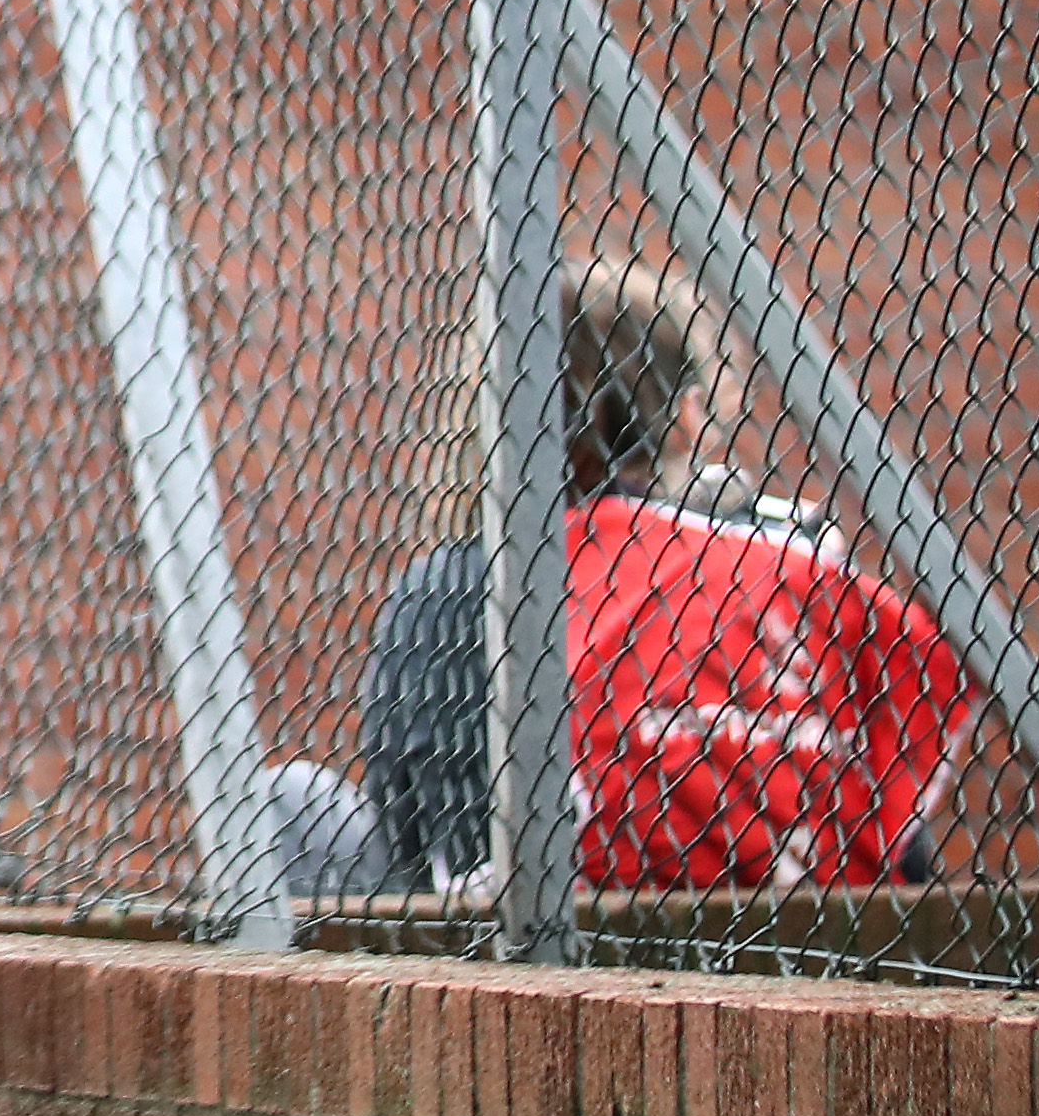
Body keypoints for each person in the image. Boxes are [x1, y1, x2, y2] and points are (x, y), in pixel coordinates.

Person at [350, 263, 967, 896]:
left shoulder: (455, 584)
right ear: (687, 414)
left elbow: (405, 811)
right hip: (822, 915)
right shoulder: (783, 563)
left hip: (506, 916)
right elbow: (897, 819)